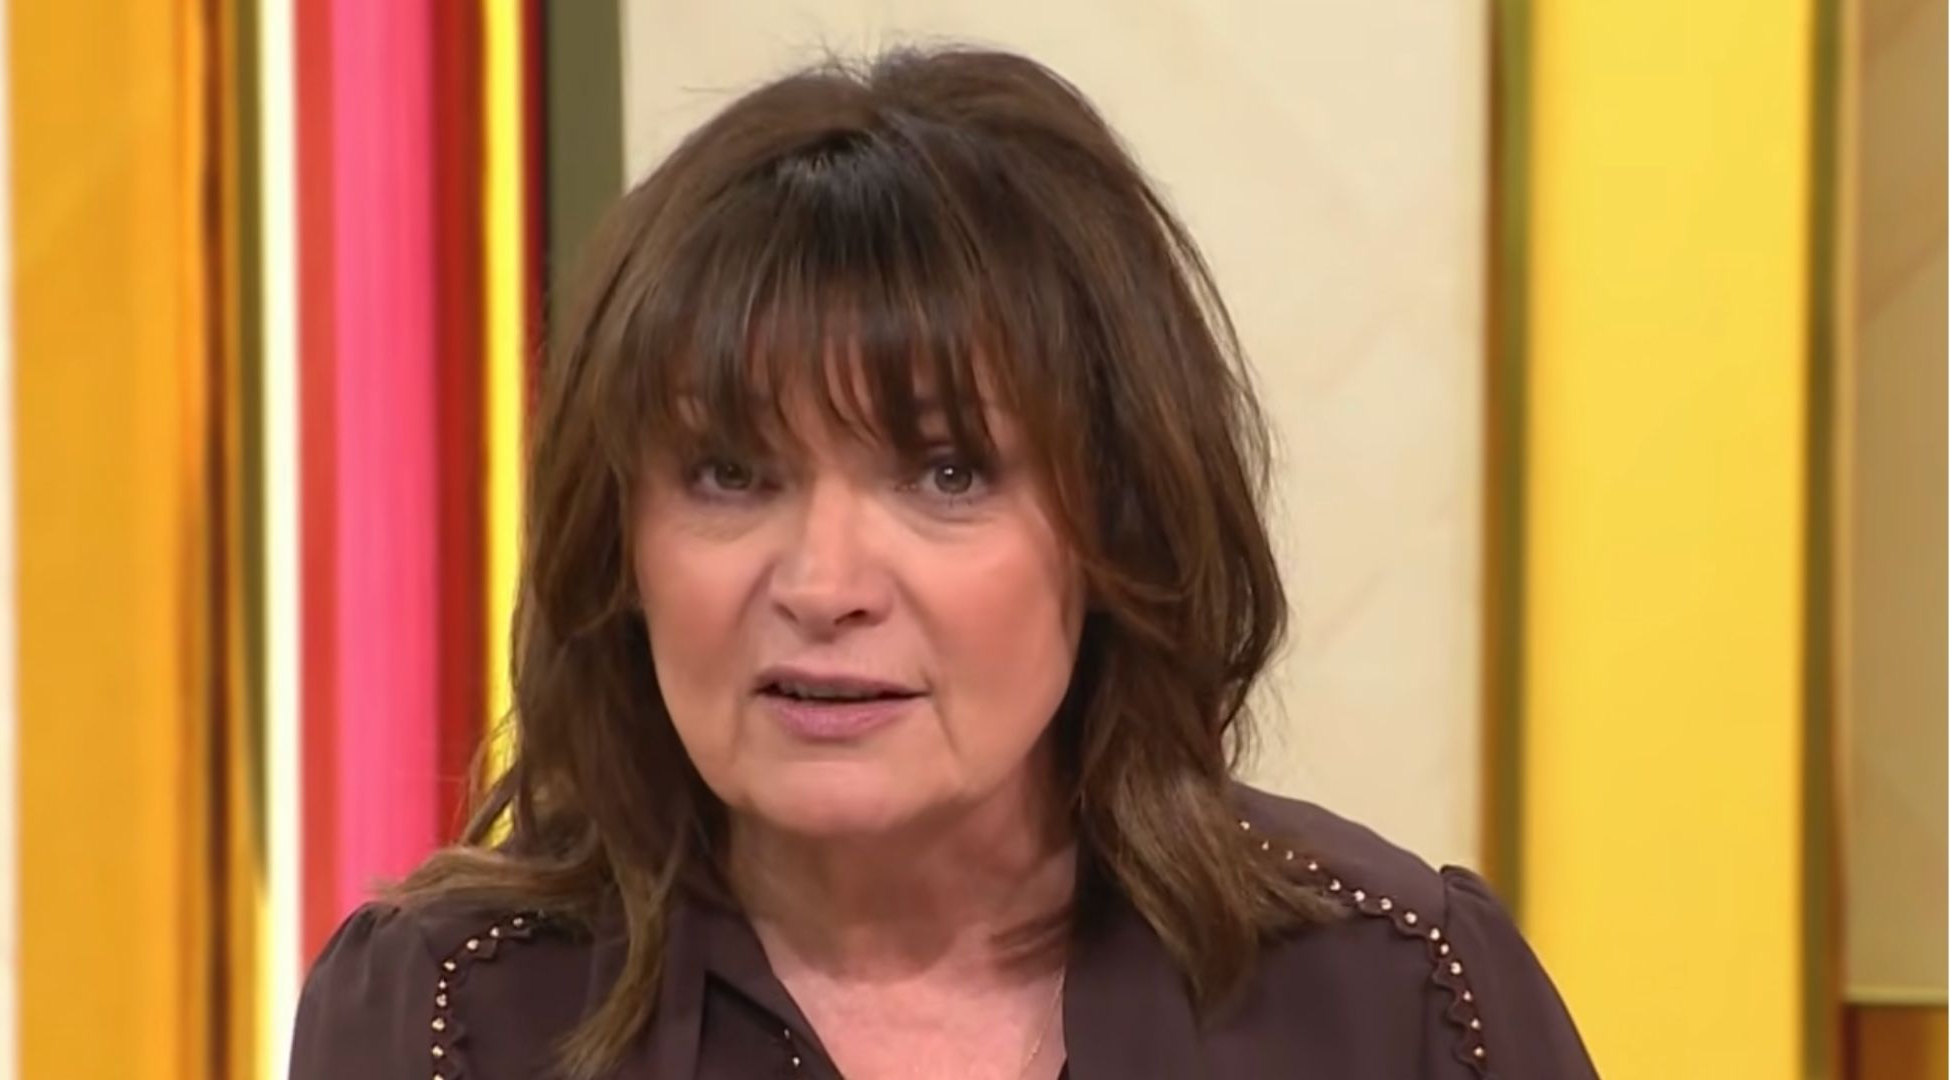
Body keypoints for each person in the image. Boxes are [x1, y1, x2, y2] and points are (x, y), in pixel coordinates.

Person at [289, 46, 1597, 1080]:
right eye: (731, 475)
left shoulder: (1396, 998)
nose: (823, 585)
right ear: (619, 544)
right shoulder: (443, 1016)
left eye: (947, 475)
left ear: (1115, 527)